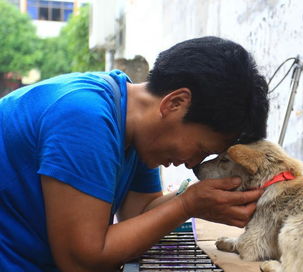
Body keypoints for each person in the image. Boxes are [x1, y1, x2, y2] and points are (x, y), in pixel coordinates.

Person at [0, 36, 269, 271]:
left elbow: (139, 214)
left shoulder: (133, 123)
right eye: (200, 149)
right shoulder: (84, 117)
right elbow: (80, 262)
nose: (192, 164)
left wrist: (200, 199)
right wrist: (189, 204)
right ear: (175, 103)